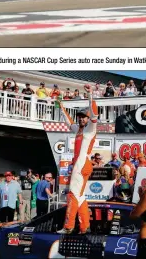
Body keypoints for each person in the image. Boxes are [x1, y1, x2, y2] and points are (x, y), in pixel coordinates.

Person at [57, 85, 98, 235]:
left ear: (88, 119)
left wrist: (90, 95)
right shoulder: (78, 130)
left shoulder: (90, 129)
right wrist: (61, 106)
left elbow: (94, 113)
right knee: (79, 197)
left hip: (81, 165)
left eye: (84, 117)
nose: (81, 118)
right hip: (81, 166)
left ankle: (68, 227)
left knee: (73, 195)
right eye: (80, 116)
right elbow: (68, 122)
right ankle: (85, 227)